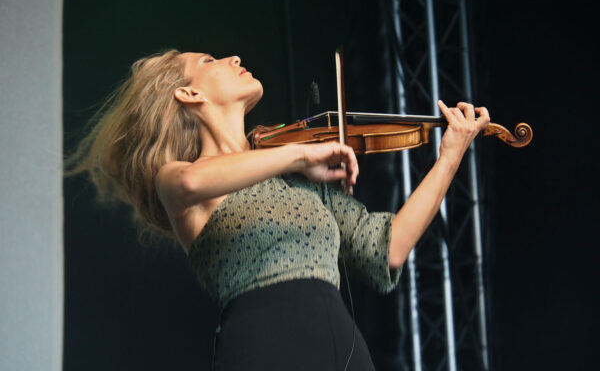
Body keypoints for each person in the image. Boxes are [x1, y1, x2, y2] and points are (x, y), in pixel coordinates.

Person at [66, 49, 490, 370]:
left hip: (344, 346)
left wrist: (450, 155)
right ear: (189, 92)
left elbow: (387, 249)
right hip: (266, 343)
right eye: (211, 60)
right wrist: (298, 158)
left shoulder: (300, 173)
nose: (234, 57)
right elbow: (191, 183)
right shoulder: (181, 176)